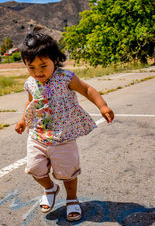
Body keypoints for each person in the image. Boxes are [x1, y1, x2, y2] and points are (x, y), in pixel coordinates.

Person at [15, 31, 114, 221]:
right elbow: (31, 103)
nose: (38, 72)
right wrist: (23, 120)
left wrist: (102, 106)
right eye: (31, 67)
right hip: (37, 136)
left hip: (64, 137)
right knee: (34, 169)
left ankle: (72, 199)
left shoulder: (65, 78)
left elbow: (87, 89)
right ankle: (50, 188)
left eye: (43, 66)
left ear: (54, 60)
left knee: (68, 173)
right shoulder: (30, 83)